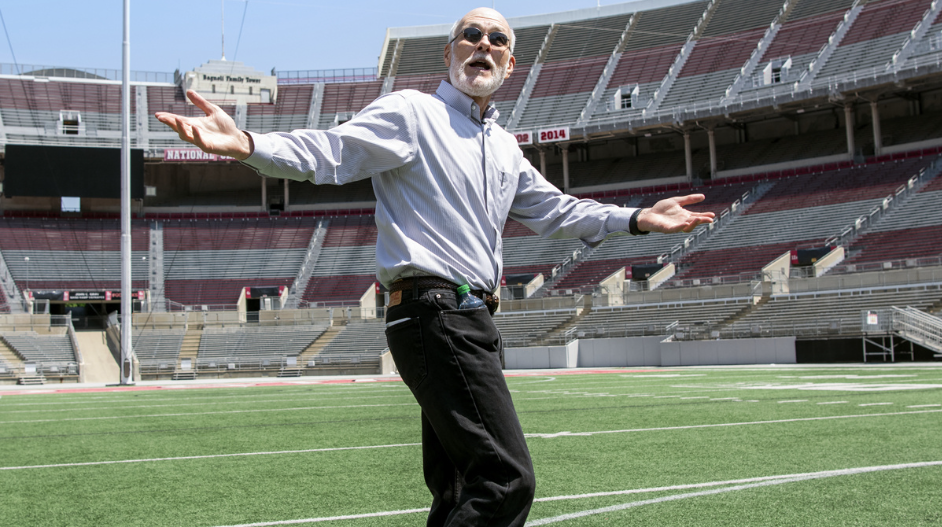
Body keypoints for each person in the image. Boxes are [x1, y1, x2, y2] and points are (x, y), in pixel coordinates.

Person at [156, 7, 714, 526]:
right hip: (436, 311)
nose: (484, 45)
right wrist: (248, 143)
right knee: (505, 480)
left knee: (459, 488)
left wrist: (638, 217)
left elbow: (558, 210)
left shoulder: (504, 146)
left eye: (498, 40)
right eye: (472, 35)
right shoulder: (411, 112)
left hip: (471, 318)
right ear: (449, 53)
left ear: (510, 64)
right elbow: (333, 152)